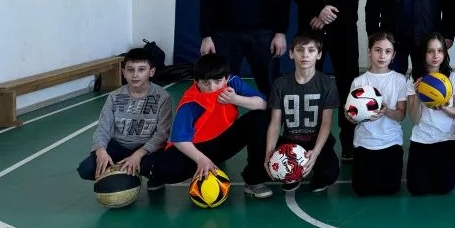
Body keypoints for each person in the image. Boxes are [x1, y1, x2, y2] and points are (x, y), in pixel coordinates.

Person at [287, 0, 367, 162]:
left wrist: (330, 12)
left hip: (343, 29)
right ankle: (308, 140)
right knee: (309, 85)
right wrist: (315, 12)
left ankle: (349, 141)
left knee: (347, 85)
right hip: (310, 29)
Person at [141, 53, 273, 198]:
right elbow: (179, 139)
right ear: (197, 82)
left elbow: (264, 104)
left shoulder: (233, 83)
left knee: (261, 117)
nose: (212, 87)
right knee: (166, 171)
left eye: (218, 81)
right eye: (205, 83)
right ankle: (152, 168)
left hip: (223, 141)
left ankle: (254, 180)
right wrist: (201, 159)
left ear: (226, 78)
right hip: (196, 147)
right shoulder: (191, 101)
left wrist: (236, 99)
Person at [77, 48, 173, 182]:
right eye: (130, 70)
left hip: (146, 148)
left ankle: (151, 178)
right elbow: (103, 129)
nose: (135, 75)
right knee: (87, 169)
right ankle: (121, 175)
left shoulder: (163, 97)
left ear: (151, 72)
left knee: (155, 168)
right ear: (123, 73)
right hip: (119, 145)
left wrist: (138, 155)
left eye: (141, 69)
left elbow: (162, 134)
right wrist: (101, 151)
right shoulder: (114, 96)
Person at [264, 35, 340, 193]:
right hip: (290, 142)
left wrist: (315, 153)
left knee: (329, 173)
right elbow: (275, 123)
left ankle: (312, 172)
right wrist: (269, 152)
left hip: (316, 140)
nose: (305, 54)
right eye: (300, 50)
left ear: (319, 55)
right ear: (291, 53)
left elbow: (326, 123)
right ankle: (293, 176)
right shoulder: (280, 84)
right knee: (265, 170)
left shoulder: (327, 83)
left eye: (311, 50)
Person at [346, 32, 408, 196]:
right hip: (364, 143)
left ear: (393, 55)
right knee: (362, 190)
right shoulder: (359, 82)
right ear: (369, 51)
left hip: (391, 142)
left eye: (388, 51)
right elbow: (350, 116)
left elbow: (401, 115)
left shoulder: (399, 80)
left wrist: (386, 111)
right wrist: (352, 117)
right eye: (378, 50)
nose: (382, 56)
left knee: (391, 189)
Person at [406, 32, 455, 196]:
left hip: (446, 140)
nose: (435, 55)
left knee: (445, 187)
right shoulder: (414, 80)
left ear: (444, 53)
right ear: (423, 53)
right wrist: (418, 95)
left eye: (439, 51)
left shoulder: (453, 78)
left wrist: (444, 107)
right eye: (430, 51)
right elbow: (414, 118)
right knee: (417, 189)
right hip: (421, 140)